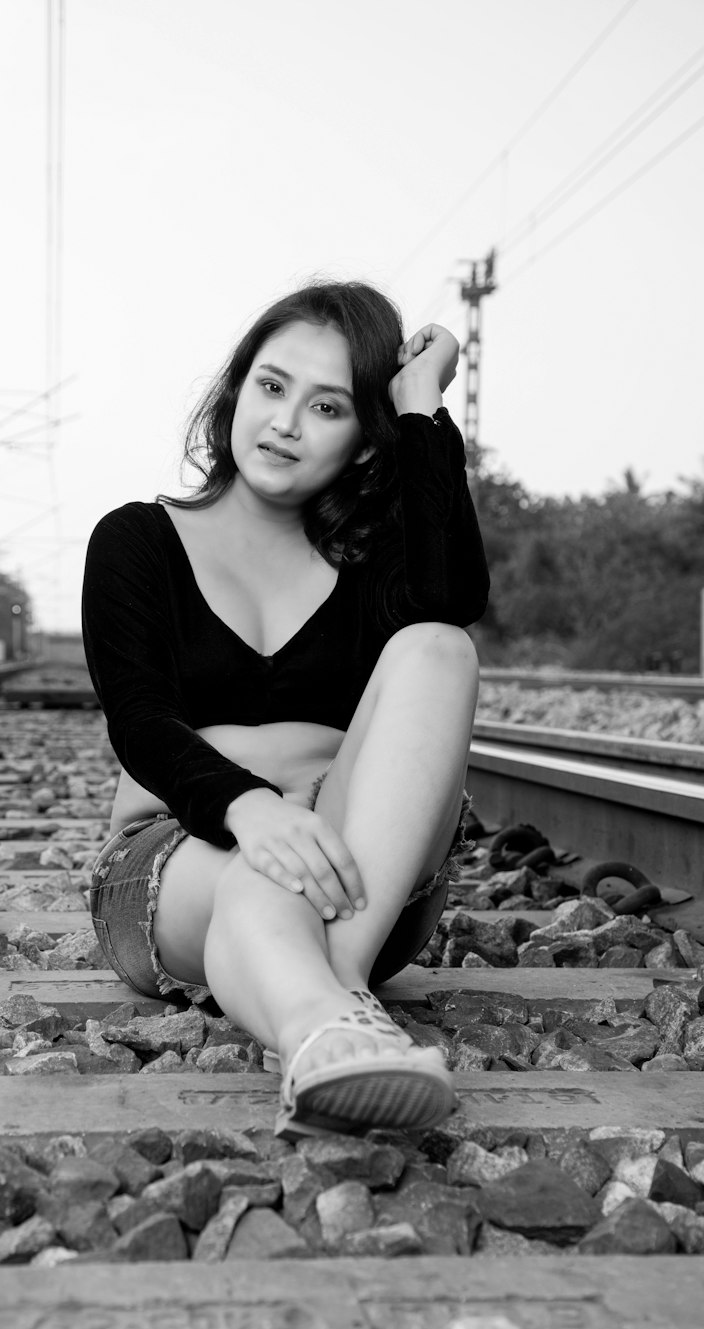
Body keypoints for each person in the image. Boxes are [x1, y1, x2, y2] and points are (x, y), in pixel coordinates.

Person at [82, 280, 489, 1139]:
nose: (286, 423)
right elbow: (140, 719)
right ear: (236, 390)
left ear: (366, 441)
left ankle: (325, 1000)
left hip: (362, 876)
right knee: (255, 879)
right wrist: (251, 807)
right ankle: (327, 1024)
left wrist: (422, 407)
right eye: (271, 387)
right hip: (178, 847)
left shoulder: (375, 565)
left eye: (328, 406)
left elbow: (453, 595)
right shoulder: (136, 542)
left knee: (438, 647)